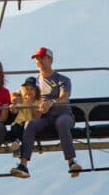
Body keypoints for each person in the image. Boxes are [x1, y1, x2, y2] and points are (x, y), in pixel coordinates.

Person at [10, 46, 81, 179]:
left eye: (41, 58)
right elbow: (19, 94)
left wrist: (51, 103)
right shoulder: (35, 82)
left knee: (62, 123)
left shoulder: (62, 79)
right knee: (30, 124)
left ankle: (72, 162)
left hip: (63, 115)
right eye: (36, 59)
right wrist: (14, 103)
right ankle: (23, 165)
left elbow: (64, 96)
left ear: (50, 59)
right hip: (44, 118)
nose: (39, 61)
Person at [8, 76, 41, 143]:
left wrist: (31, 105)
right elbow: (13, 98)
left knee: (26, 129)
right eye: (27, 89)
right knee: (15, 127)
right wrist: (13, 104)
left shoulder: (39, 101)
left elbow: (37, 117)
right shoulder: (22, 99)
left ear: (36, 90)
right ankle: (16, 145)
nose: (29, 91)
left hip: (30, 125)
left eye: (31, 89)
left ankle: (17, 143)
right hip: (18, 123)